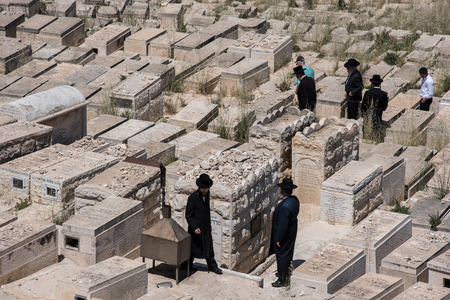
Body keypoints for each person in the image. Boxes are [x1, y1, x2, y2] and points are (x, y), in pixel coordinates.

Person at [184, 174, 222, 275]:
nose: (204, 190)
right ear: (199, 187)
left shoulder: (207, 197)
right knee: (192, 249)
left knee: (208, 248)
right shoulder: (193, 198)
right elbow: (188, 215)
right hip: (196, 228)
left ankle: (213, 267)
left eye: (206, 188)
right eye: (203, 188)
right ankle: (185, 265)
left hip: (205, 228)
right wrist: (194, 227)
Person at [269, 178, 300, 287]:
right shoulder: (294, 200)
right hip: (292, 230)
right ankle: (286, 271)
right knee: (288, 253)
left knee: (281, 255)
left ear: (282, 191)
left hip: (285, 234)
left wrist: (278, 239)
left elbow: (282, 225)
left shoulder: (284, 207)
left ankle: (282, 279)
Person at [361, 75, 389, 142]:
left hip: (368, 113)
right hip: (378, 113)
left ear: (372, 83)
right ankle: (376, 139)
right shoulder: (384, 94)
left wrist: (363, 113)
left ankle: (366, 139)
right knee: (377, 127)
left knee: (367, 127)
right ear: (380, 83)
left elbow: (364, 104)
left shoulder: (368, 93)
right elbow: (385, 106)